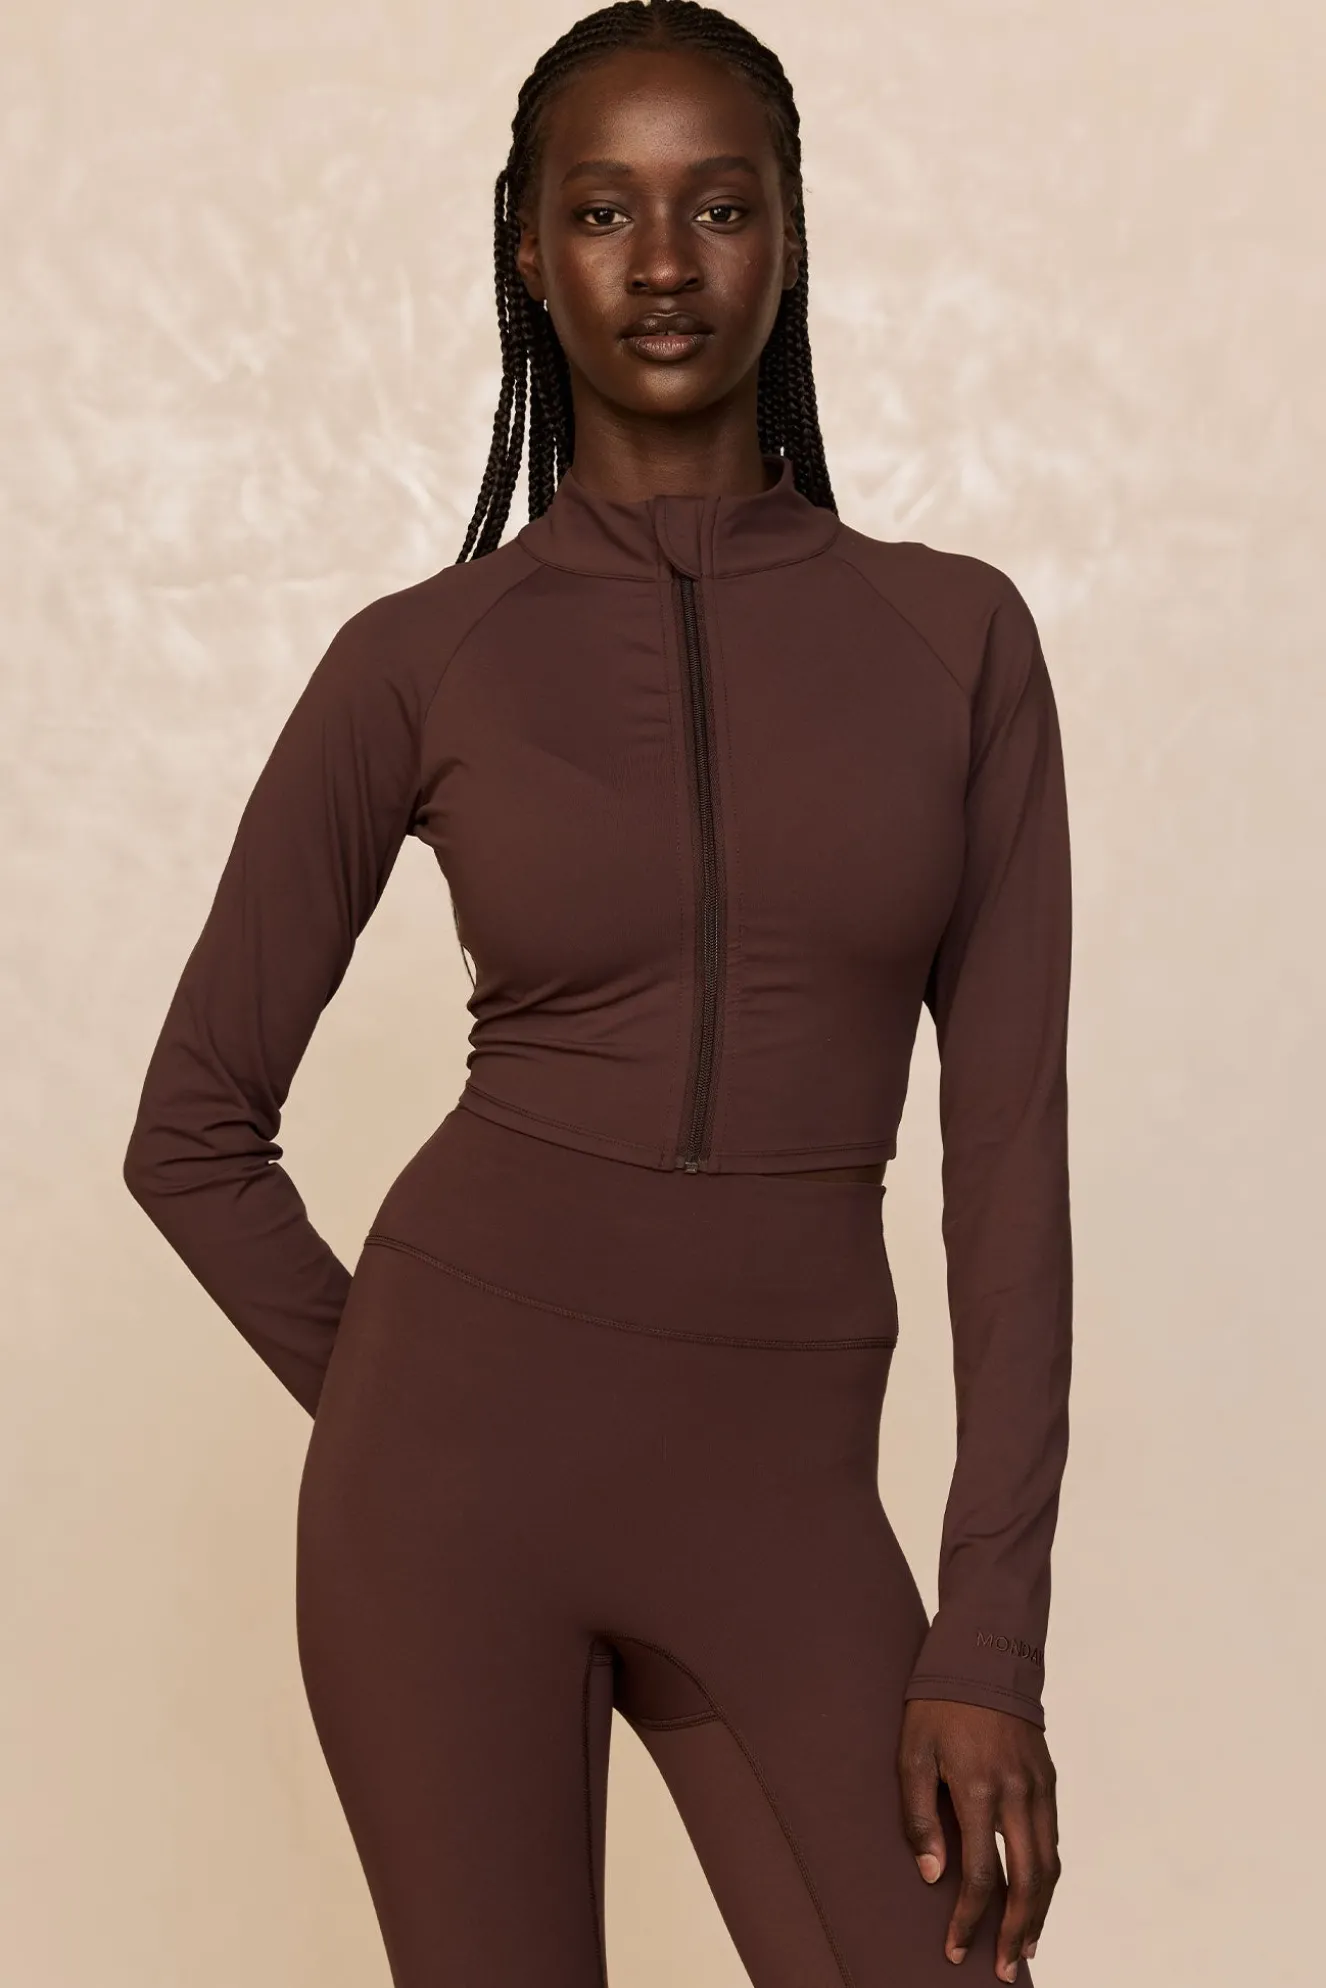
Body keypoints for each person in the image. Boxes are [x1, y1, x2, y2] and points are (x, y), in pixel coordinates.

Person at [123, 3, 1073, 1983]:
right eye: (601, 210)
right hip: (448, 1491)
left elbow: (1007, 1165)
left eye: (716, 206)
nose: (661, 263)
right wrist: (411, 1399)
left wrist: (986, 1638)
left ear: (787, 235)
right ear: (529, 251)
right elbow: (192, 1132)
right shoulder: (421, 658)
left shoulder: (953, 639)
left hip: (782, 1492)